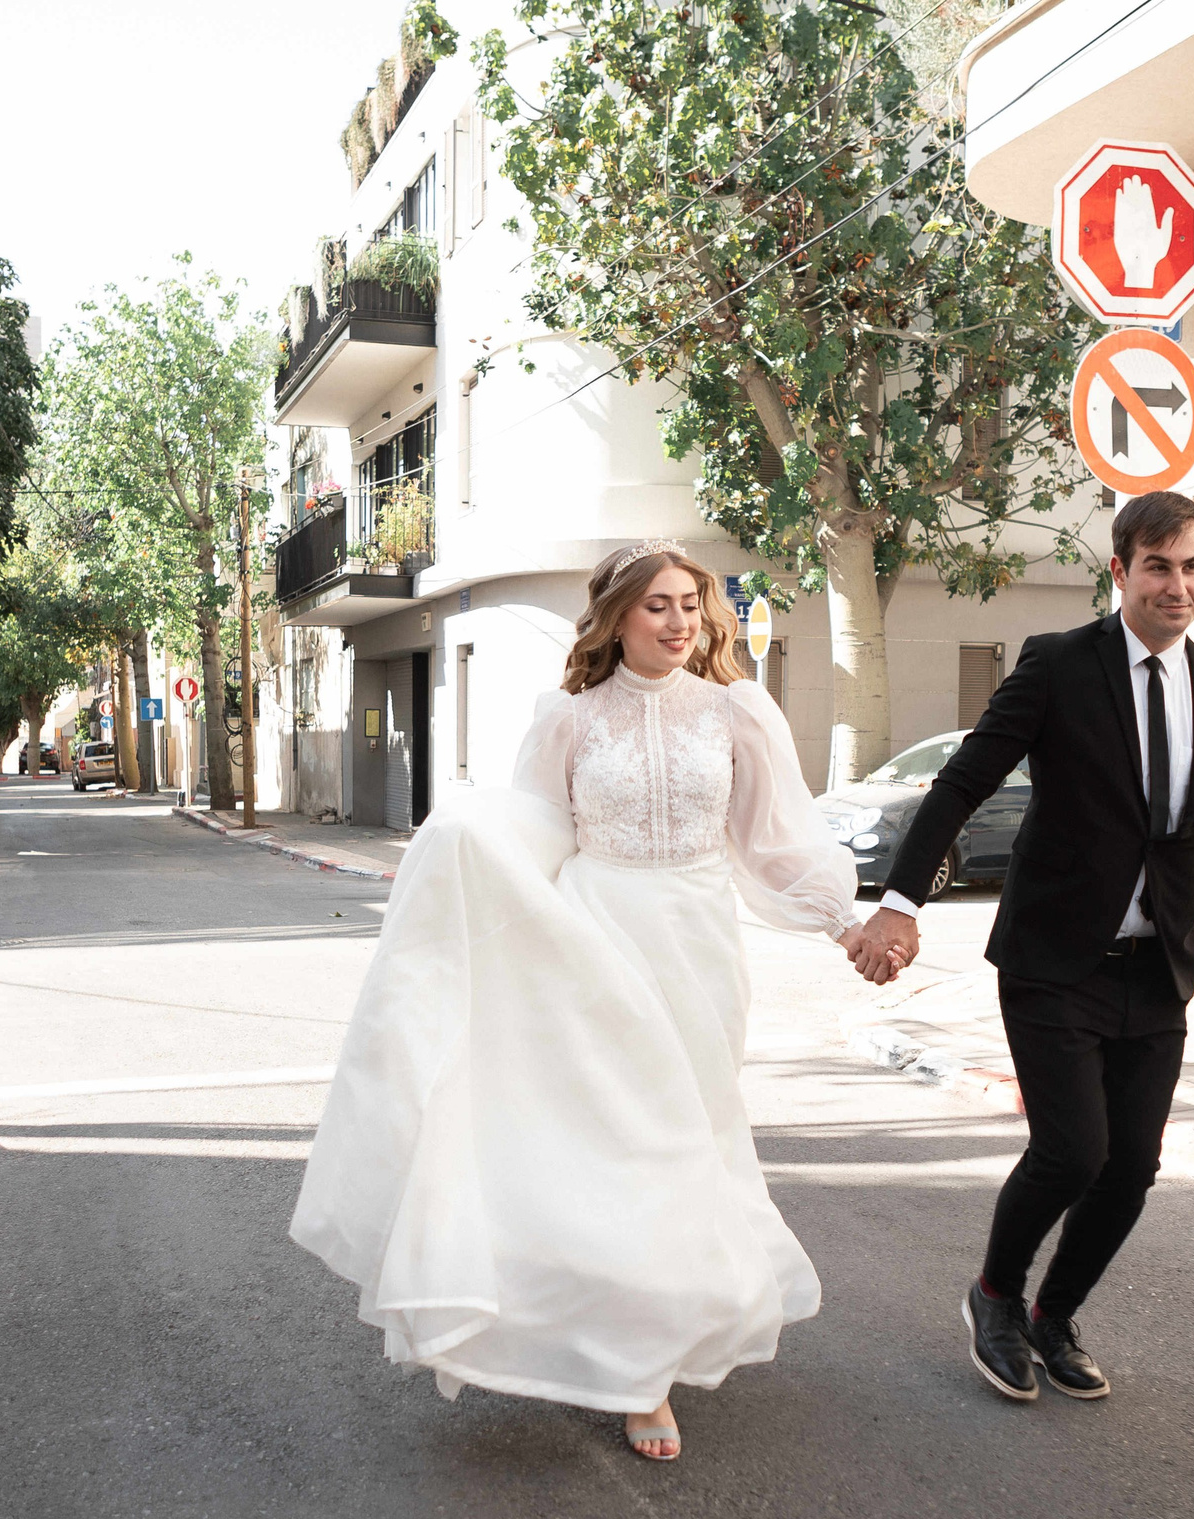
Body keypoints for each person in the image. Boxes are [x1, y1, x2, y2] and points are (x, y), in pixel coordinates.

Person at [291, 542, 864, 1461]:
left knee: (688, 1143)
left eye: (690, 605)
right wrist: (460, 854)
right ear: (615, 620)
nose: (679, 623)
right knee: (620, 1146)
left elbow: (773, 843)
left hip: (701, 948)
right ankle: (641, 1375)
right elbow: (534, 832)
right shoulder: (566, 719)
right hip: (597, 941)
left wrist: (846, 923)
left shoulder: (737, 713)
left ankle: (656, 1339)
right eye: (657, 608)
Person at [846, 490, 1194, 1403]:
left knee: (1132, 1166)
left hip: (1155, 971)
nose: (1177, 585)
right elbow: (960, 784)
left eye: (1193, 566)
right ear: (1120, 572)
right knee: (1072, 1149)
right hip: (1051, 957)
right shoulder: (1059, 666)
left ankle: (1053, 1313)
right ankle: (995, 1294)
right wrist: (901, 903)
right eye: (1158, 566)